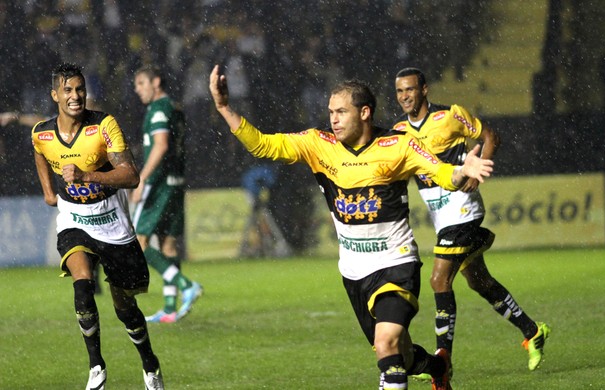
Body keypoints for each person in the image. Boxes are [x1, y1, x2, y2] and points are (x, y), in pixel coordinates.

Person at [210, 64, 495, 390]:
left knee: (387, 344)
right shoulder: (318, 144)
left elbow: (442, 173)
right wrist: (224, 108)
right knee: (397, 353)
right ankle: (437, 366)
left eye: (341, 112)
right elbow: (263, 145)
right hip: (354, 271)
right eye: (331, 111)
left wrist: (461, 173)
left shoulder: (398, 145)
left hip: (395, 263)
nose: (333, 118)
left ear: (364, 112)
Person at [392, 67, 550, 378]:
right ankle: (533, 332)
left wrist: (477, 175)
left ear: (424, 89)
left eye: (410, 89)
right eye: (399, 92)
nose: (404, 96)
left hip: (463, 209)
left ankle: (441, 361)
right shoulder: (398, 132)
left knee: (439, 280)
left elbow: (490, 136)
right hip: (441, 216)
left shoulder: (450, 116)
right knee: (478, 281)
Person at [31, 63, 164, 389]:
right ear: (55, 95)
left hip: (112, 220)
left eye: (80, 89)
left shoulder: (104, 125)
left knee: (125, 307)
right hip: (74, 219)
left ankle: (150, 365)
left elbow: (131, 176)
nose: (75, 96)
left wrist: (87, 174)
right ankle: (97, 367)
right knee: (83, 284)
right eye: (68, 90)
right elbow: (39, 150)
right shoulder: (41, 132)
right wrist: (49, 192)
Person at [132, 65, 203, 323]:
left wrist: (141, 179)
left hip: (159, 183)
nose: (138, 90)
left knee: (137, 243)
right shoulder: (176, 108)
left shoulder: (159, 109)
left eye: (141, 83)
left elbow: (160, 145)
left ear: (156, 81)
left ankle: (186, 285)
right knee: (168, 244)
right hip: (176, 181)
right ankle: (171, 308)